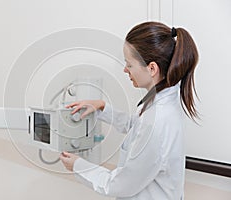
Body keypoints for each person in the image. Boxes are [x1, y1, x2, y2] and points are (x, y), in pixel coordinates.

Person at [59, 21, 199, 200]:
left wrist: (78, 166)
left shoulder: (158, 120)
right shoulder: (163, 99)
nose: (125, 70)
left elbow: (119, 185)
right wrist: (102, 107)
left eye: (130, 64)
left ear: (152, 68)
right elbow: (137, 126)